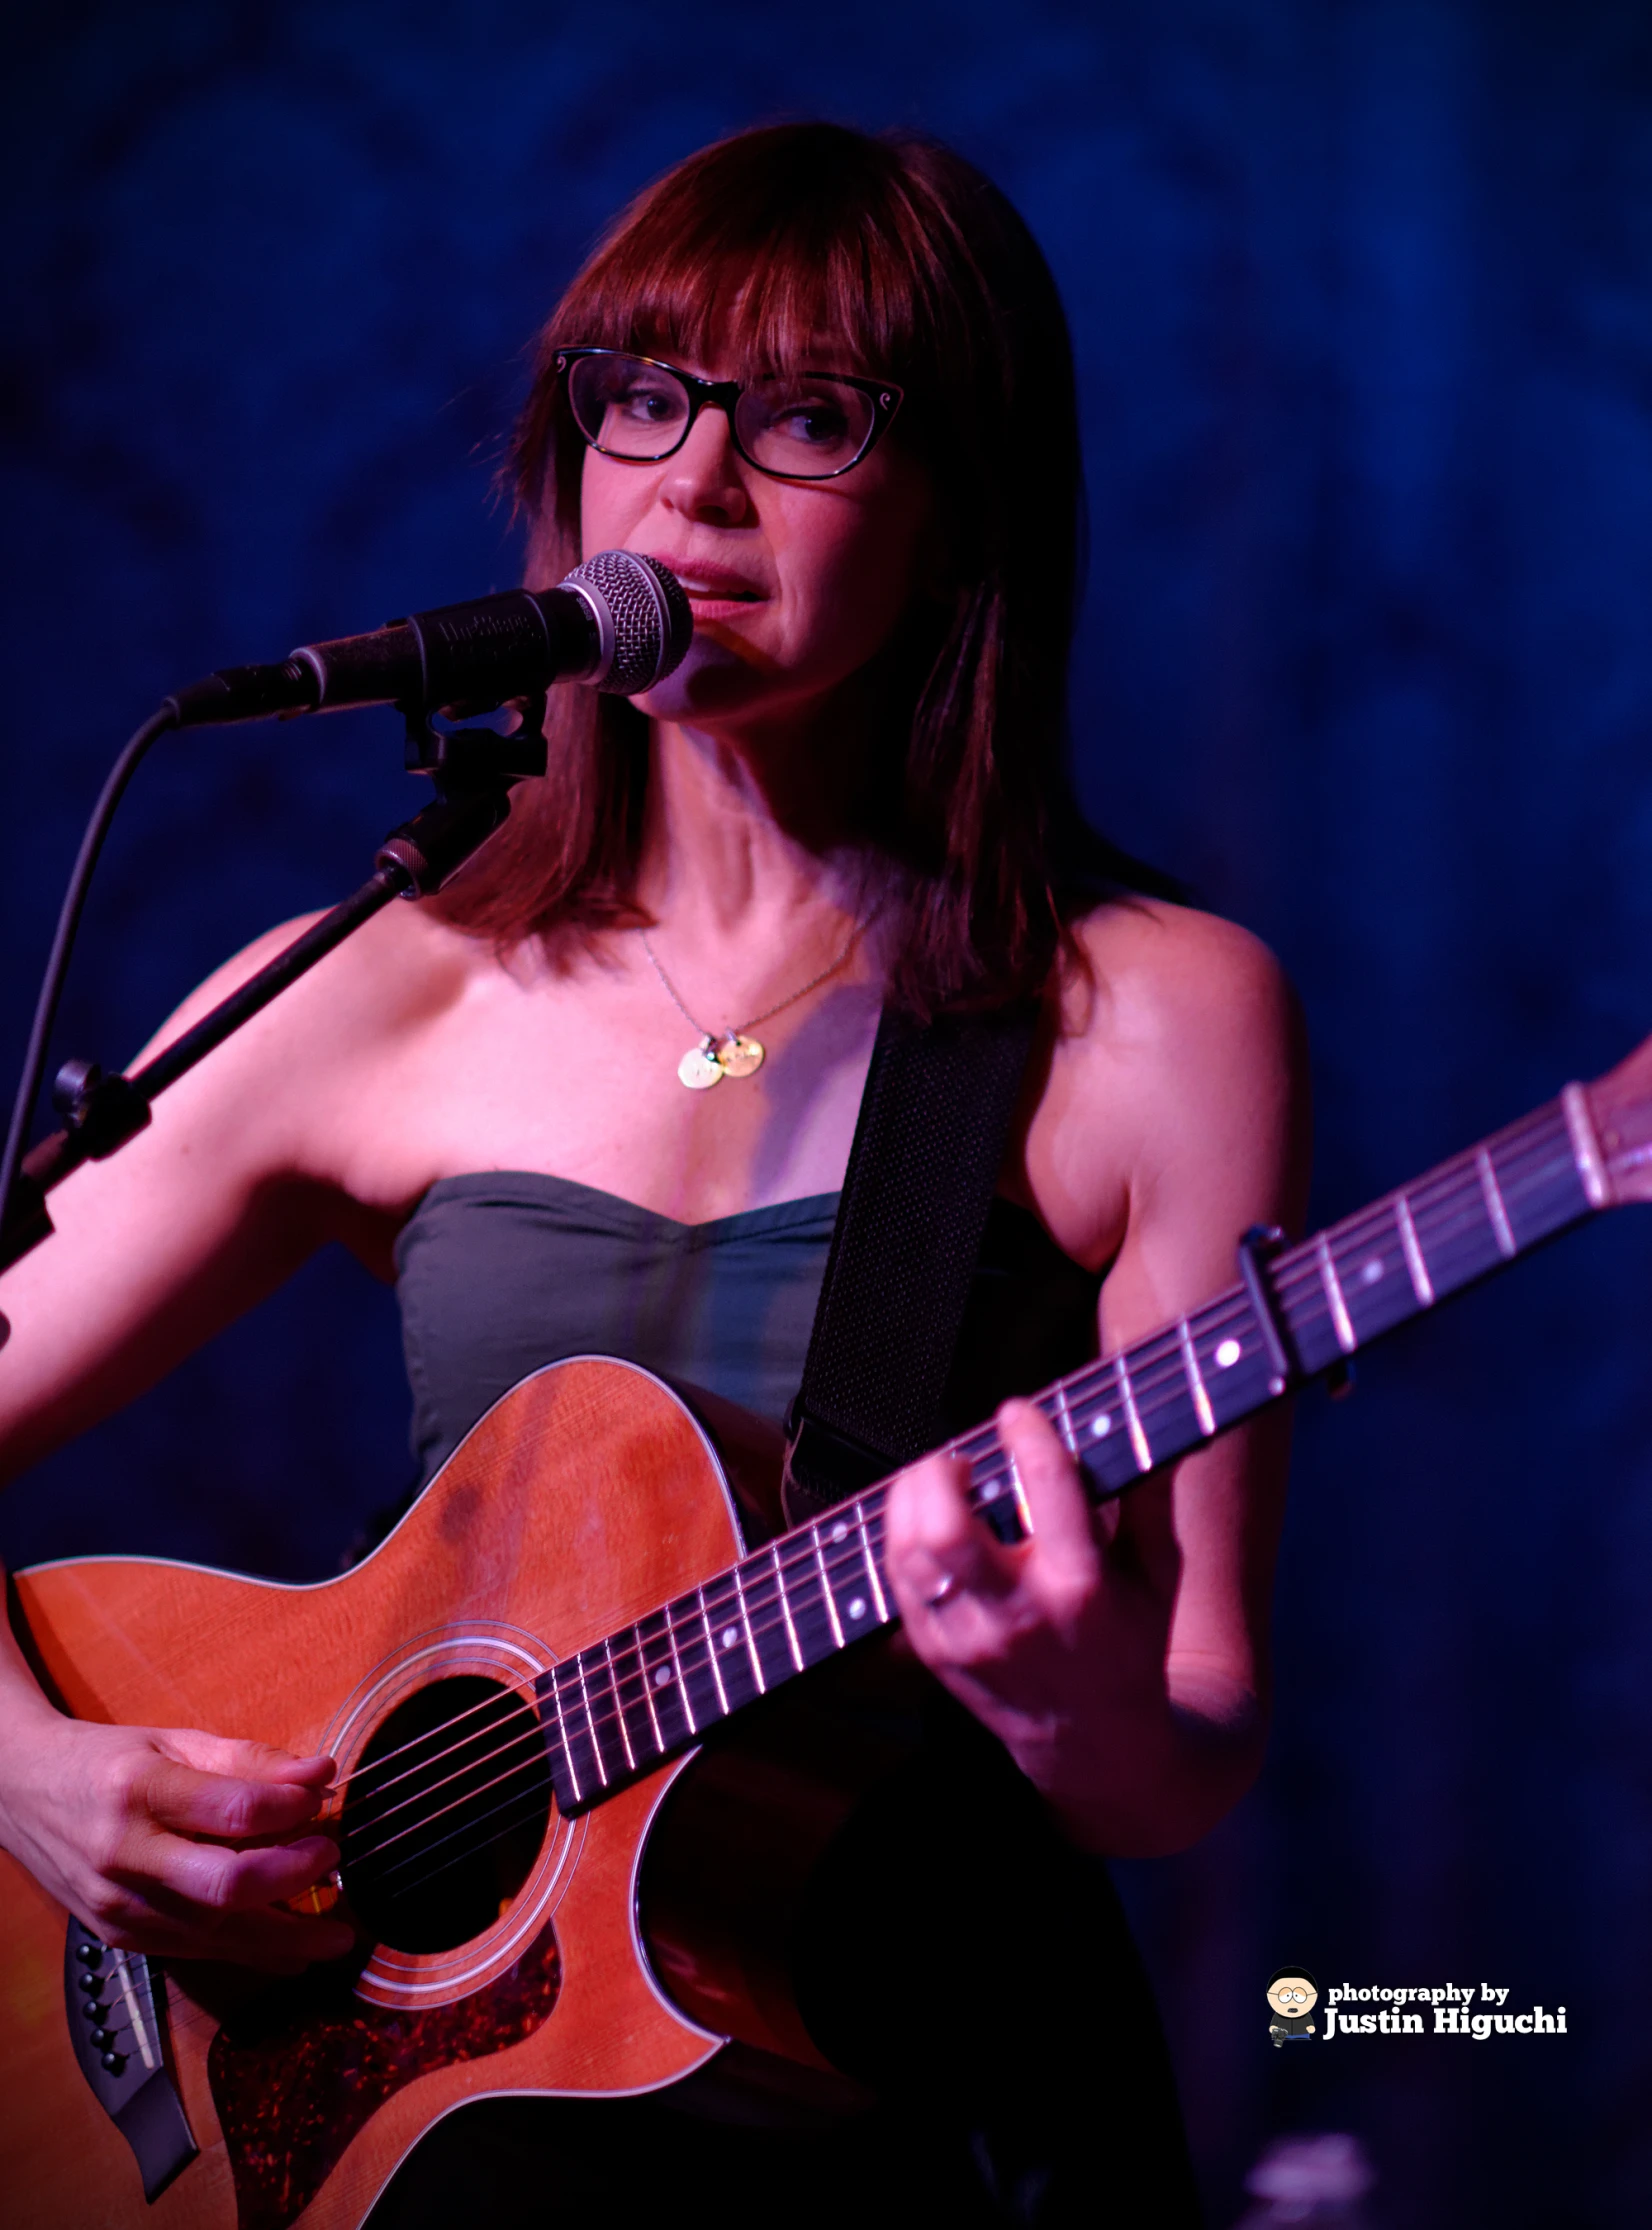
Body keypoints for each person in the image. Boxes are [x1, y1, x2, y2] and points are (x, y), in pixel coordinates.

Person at [0, 123, 1308, 2224]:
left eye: (807, 417)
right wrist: (36, 1771)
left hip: (909, 2099)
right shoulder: (380, 991)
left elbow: (1194, 1727)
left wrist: (1073, 1717)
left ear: (962, 499)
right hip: (428, 2141)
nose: (694, 484)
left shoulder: (1149, 1012)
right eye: (642, 395)